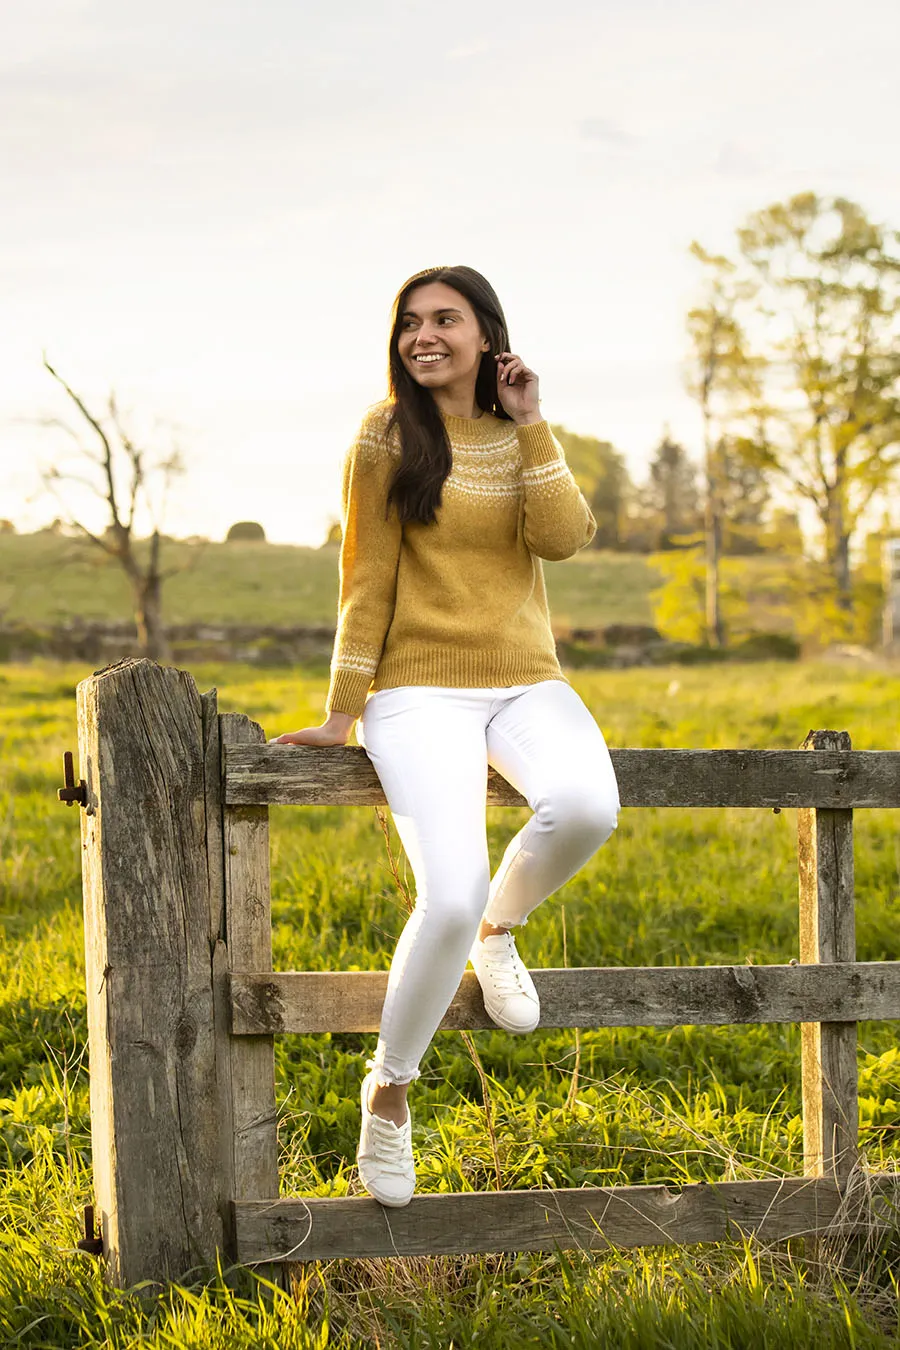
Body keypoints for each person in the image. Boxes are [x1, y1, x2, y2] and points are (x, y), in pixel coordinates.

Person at [269, 265, 620, 1207]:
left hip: (524, 678)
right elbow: (364, 578)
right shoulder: (384, 437)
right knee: (449, 890)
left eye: (445, 321)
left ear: (484, 334)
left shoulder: (519, 435)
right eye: (410, 323)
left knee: (587, 805)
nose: (424, 337)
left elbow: (564, 537)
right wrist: (345, 708)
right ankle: (388, 1088)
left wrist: (532, 416)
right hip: (417, 689)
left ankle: (502, 931)